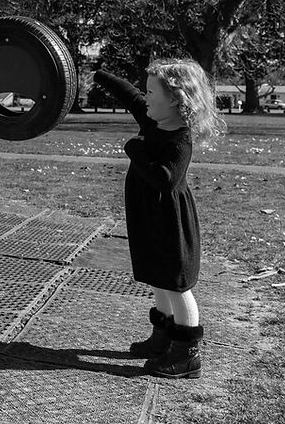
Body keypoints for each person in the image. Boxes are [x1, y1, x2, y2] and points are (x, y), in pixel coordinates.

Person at [92, 59, 225, 379]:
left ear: (178, 100)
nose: (146, 98)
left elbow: (164, 179)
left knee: (177, 286)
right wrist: (99, 75)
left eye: (153, 93)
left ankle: (187, 355)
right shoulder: (152, 119)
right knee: (157, 278)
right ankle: (162, 338)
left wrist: (134, 150)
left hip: (171, 223)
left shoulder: (179, 140)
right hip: (148, 217)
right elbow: (130, 95)